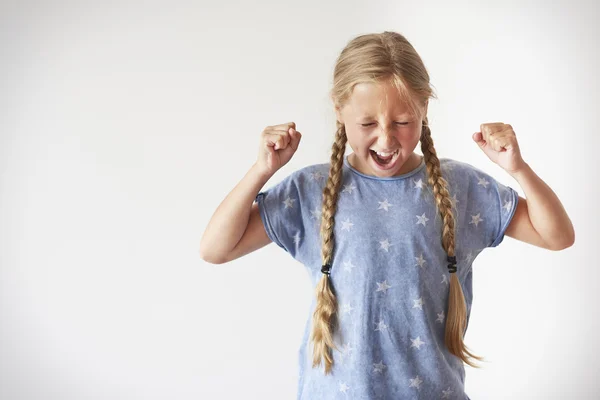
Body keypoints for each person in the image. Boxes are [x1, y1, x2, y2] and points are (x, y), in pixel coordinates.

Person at [199, 31, 575, 400]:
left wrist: (518, 168)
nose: (385, 138)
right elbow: (215, 248)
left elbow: (557, 236)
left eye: (402, 122)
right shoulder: (310, 190)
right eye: (367, 124)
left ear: (424, 108)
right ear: (339, 109)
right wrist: (261, 171)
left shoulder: (459, 186)